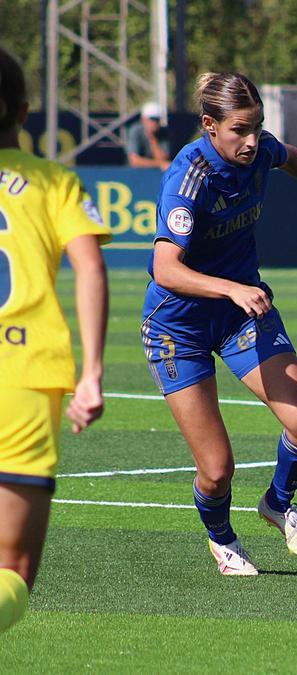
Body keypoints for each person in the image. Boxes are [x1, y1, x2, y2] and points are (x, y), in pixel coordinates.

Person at [142, 72, 297, 575]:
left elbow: (287, 155)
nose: (252, 140)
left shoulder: (260, 148)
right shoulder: (188, 178)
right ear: (209, 125)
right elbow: (166, 269)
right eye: (240, 129)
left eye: (257, 126)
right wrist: (231, 287)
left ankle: (277, 502)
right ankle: (222, 538)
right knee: (217, 470)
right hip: (176, 329)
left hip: (240, 313)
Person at [0, 47, 110, 632]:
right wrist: (91, 372)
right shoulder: (52, 182)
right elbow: (90, 268)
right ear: (23, 111)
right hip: (23, 374)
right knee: (12, 569)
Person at [125, 101, 172, 170]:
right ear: (143, 119)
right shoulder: (135, 131)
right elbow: (134, 161)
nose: (154, 122)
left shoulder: (165, 132)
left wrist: (152, 138)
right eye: (152, 119)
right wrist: (159, 164)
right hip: (136, 174)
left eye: (157, 119)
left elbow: (163, 159)